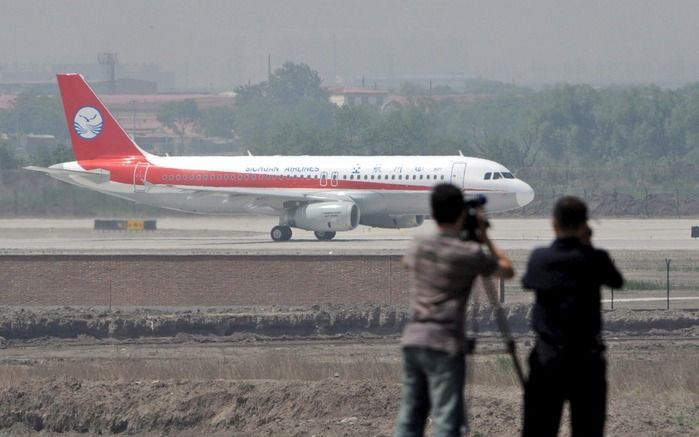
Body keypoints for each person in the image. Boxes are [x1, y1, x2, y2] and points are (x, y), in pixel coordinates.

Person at [394, 183, 514, 437]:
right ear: (461, 213)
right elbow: (507, 271)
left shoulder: (418, 244)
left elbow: (407, 263)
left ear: (433, 212)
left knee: (409, 418)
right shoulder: (468, 253)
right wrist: (484, 236)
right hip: (445, 343)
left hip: (413, 340)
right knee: (447, 420)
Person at [521, 196, 623, 437]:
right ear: (584, 226)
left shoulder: (540, 258)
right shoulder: (595, 259)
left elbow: (527, 282)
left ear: (553, 224)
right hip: (586, 359)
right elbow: (616, 280)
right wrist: (586, 245)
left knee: (539, 428)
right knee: (588, 428)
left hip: (548, 359)